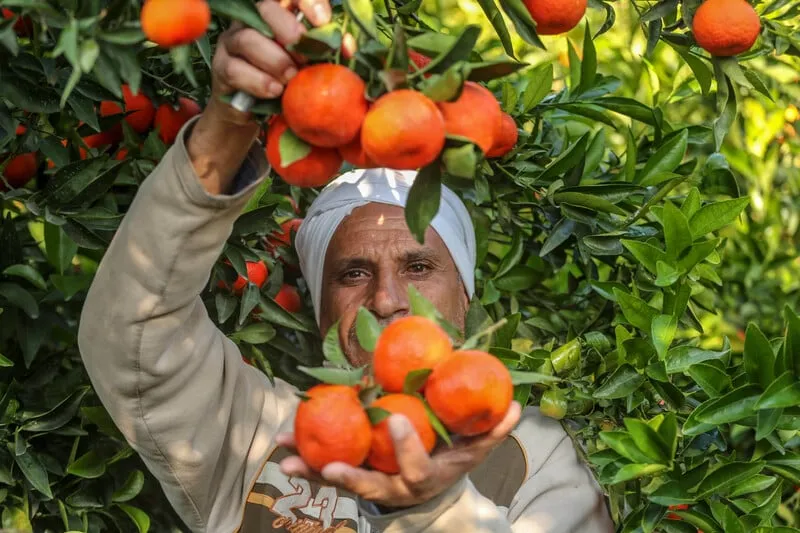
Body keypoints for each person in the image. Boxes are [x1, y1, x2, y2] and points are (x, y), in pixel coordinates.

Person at [77, 2, 614, 532]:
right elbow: (132, 336)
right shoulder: (264, 434)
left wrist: (432, 507)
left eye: (419, 266)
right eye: (353, 274)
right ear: (320, 309)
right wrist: (228, 125)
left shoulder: (537, 454)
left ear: (465, 294)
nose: (387, 300)